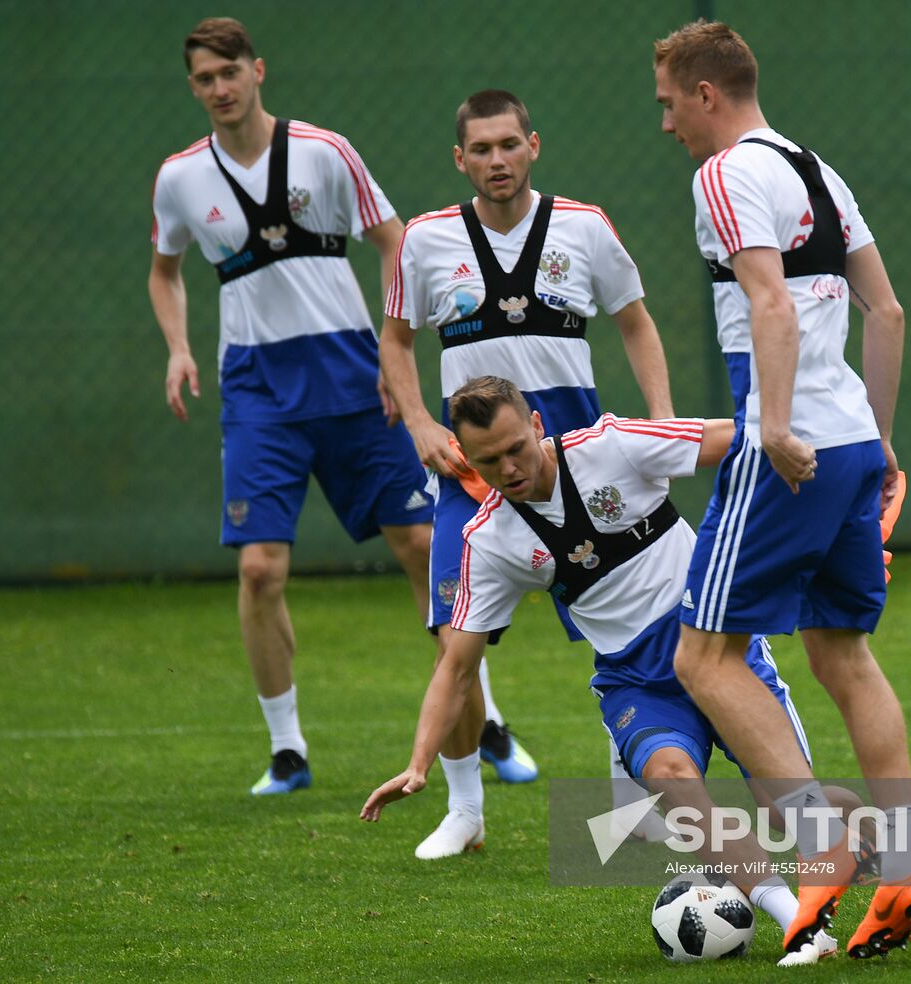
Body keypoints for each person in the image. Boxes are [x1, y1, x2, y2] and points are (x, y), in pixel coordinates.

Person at [361, 377, 844, 965]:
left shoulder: (611, 445)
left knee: (790, 809)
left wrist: (824, 512)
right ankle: (796, 920)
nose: (509, 467)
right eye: (488, 461)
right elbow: (456, 666)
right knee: (671, 775)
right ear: (468, 460)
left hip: (716, 646)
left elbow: (746, 442)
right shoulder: (486, 540)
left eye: (516, 447)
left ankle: (901, 865)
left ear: (538, 424)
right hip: (633, 679)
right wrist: (417, 765)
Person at [652, 20, 911, 960]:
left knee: (702, 658)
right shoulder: (817, 169)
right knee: (842, 658)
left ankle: (824, 846)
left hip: (794, 448)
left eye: (668, 104)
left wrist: (774, 426)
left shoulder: (725, 172)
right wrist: (885, 439)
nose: (666, 125)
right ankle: (903, 863)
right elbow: (888, 310)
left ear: (706, 93)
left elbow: (769, 302)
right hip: (857, 439)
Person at [379, 90, 674, 858]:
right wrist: (417, 422)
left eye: (509, 144)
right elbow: (397, 338)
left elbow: (636, 322)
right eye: (481, 149)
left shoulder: (585, 227)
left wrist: (663, 424)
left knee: (625, 630)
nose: (497, 160)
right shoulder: (426, 239)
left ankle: (632, 790)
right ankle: (466, 810)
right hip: (469, 483)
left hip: (576, 477)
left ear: (533, 146)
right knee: (454, 640)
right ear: (459, 159)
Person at [147, 17, 433, 797]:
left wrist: (393, 347)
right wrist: (179, 347)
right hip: (257, 390)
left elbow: (393, 240)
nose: (218, 89)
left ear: (257, 69)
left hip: (350, 372)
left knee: (421, 543)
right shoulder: (179, 178)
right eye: (203, 79)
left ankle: (483, 716)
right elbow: (164, 271)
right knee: (261, 571)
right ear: (193, 87)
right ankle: (287, 751)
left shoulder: (323, 150)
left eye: (228, 72)